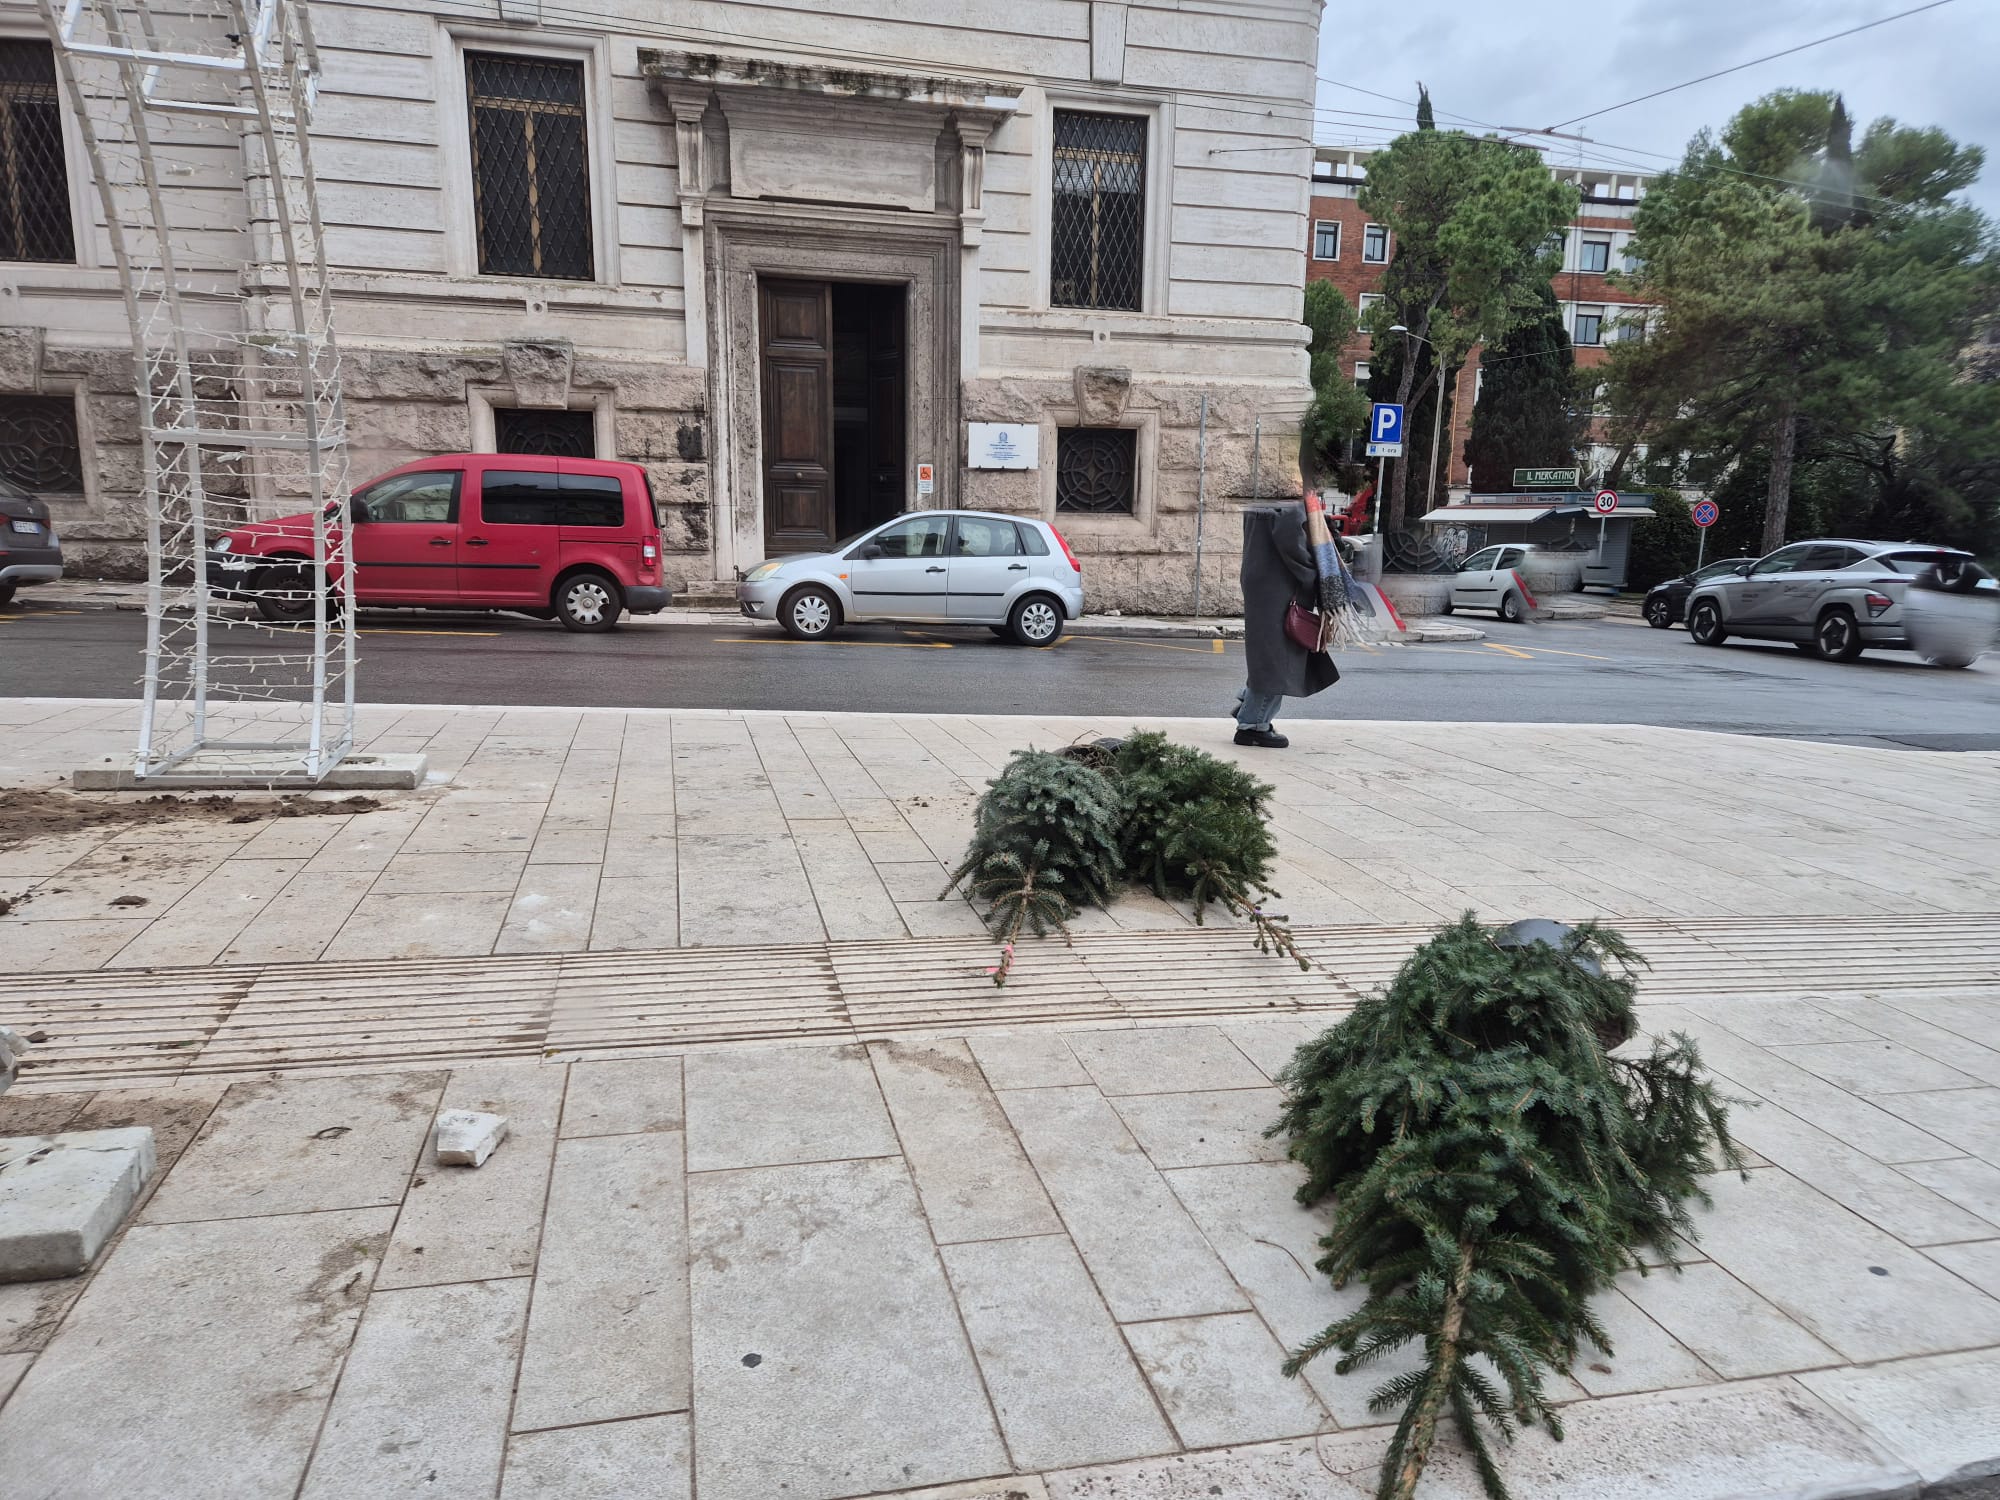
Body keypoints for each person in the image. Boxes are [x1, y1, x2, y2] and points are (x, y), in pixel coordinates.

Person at [1234, 502, 1339, 748]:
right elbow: (1290, 538)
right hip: (1280, 581)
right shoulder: (1287, 494)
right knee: (1277, 658)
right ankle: (1253, 724)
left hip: (1262, 576)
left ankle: (1249, 705)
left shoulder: (1262, 492)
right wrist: (1313, 573)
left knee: (1267, 653)